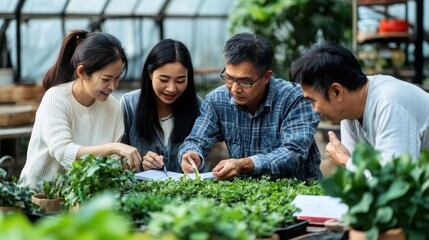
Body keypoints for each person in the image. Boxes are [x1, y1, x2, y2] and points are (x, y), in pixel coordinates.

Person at [178, 32, 322, 181]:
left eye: (245, 81)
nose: (235, 89)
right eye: (229, 78)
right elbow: (196, 139)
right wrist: (192, 154)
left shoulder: (296, 98)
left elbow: (293, 152)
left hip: (297, 192)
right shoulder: (217, 100)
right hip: (245, 195)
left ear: (266, 77)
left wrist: (244, 164)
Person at [19, 30, 142, 189]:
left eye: (117, 78)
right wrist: (114, 147)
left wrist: (128, 165)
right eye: (106, 79)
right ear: (82, 72)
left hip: (80, 200)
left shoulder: (112, 107)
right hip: (38, 199)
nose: (113, 86)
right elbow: (64, 152)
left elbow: (112, 164)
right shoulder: (56, 99)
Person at [289, 42, 429, 170]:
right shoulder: (349, 110)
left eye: (313, 101)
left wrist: (345, 161)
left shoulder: (390, 103)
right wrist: (349, 163)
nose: (314, 109)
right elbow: (359, 176)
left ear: (337, 91)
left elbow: (393, 181)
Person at [120, 39, 200, 173]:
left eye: (180, 80)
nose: (171, 88)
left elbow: (200, 155)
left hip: (185, 192)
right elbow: (119, 160)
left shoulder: (196, 105)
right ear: (150, 74)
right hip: (142, 193)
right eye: (164, 80)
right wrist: (141, 166)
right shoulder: (129, 105)